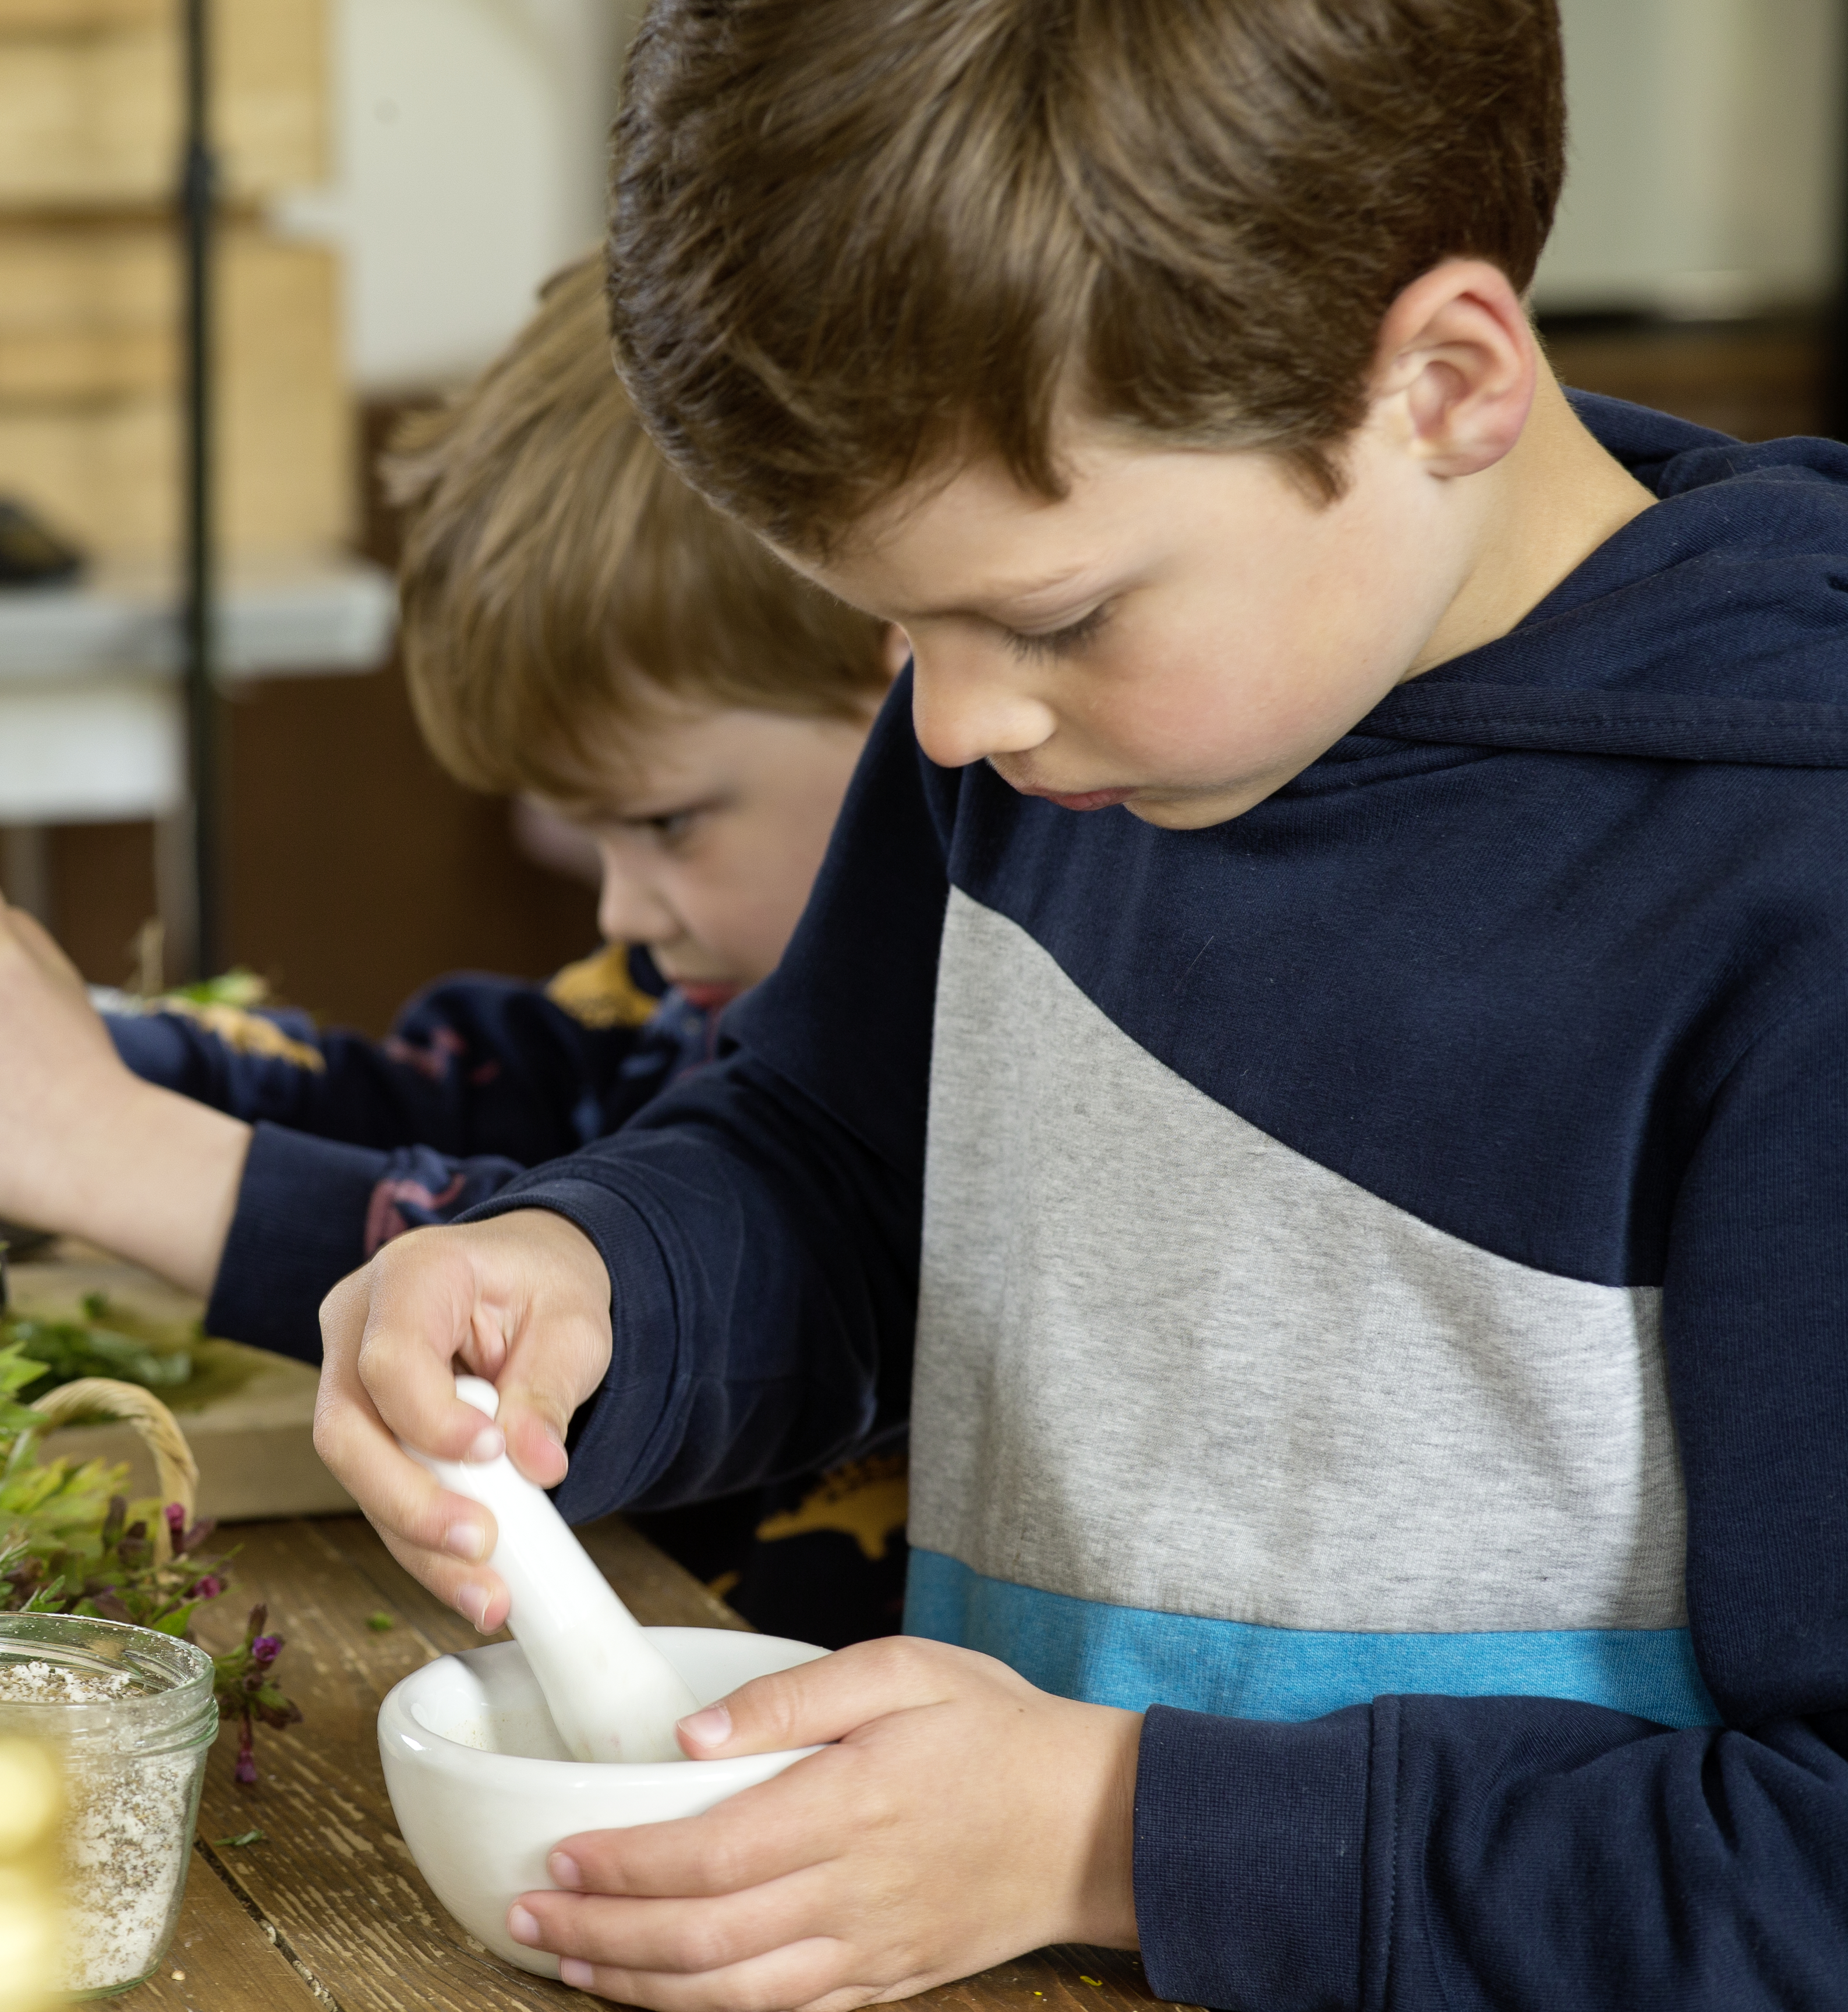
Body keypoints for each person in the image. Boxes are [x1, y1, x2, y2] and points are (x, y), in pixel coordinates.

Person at [310, 4, 1848, 2009]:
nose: (947, 721)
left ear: (1445, 382)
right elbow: (843, 1176)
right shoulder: (1049, 742)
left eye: (1047, 615)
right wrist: (600, 1280)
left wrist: (1099, 1834)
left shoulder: (1784, 887)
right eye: (894, 620)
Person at [0, 256, 904, 1640]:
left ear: (910, 673)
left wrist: (101, 1144)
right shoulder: (668, 996)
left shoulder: (948, 1081)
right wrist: (4, 1056)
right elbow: (430, 1113)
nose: (621, 910)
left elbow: (523, 1260)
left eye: (667, 821)